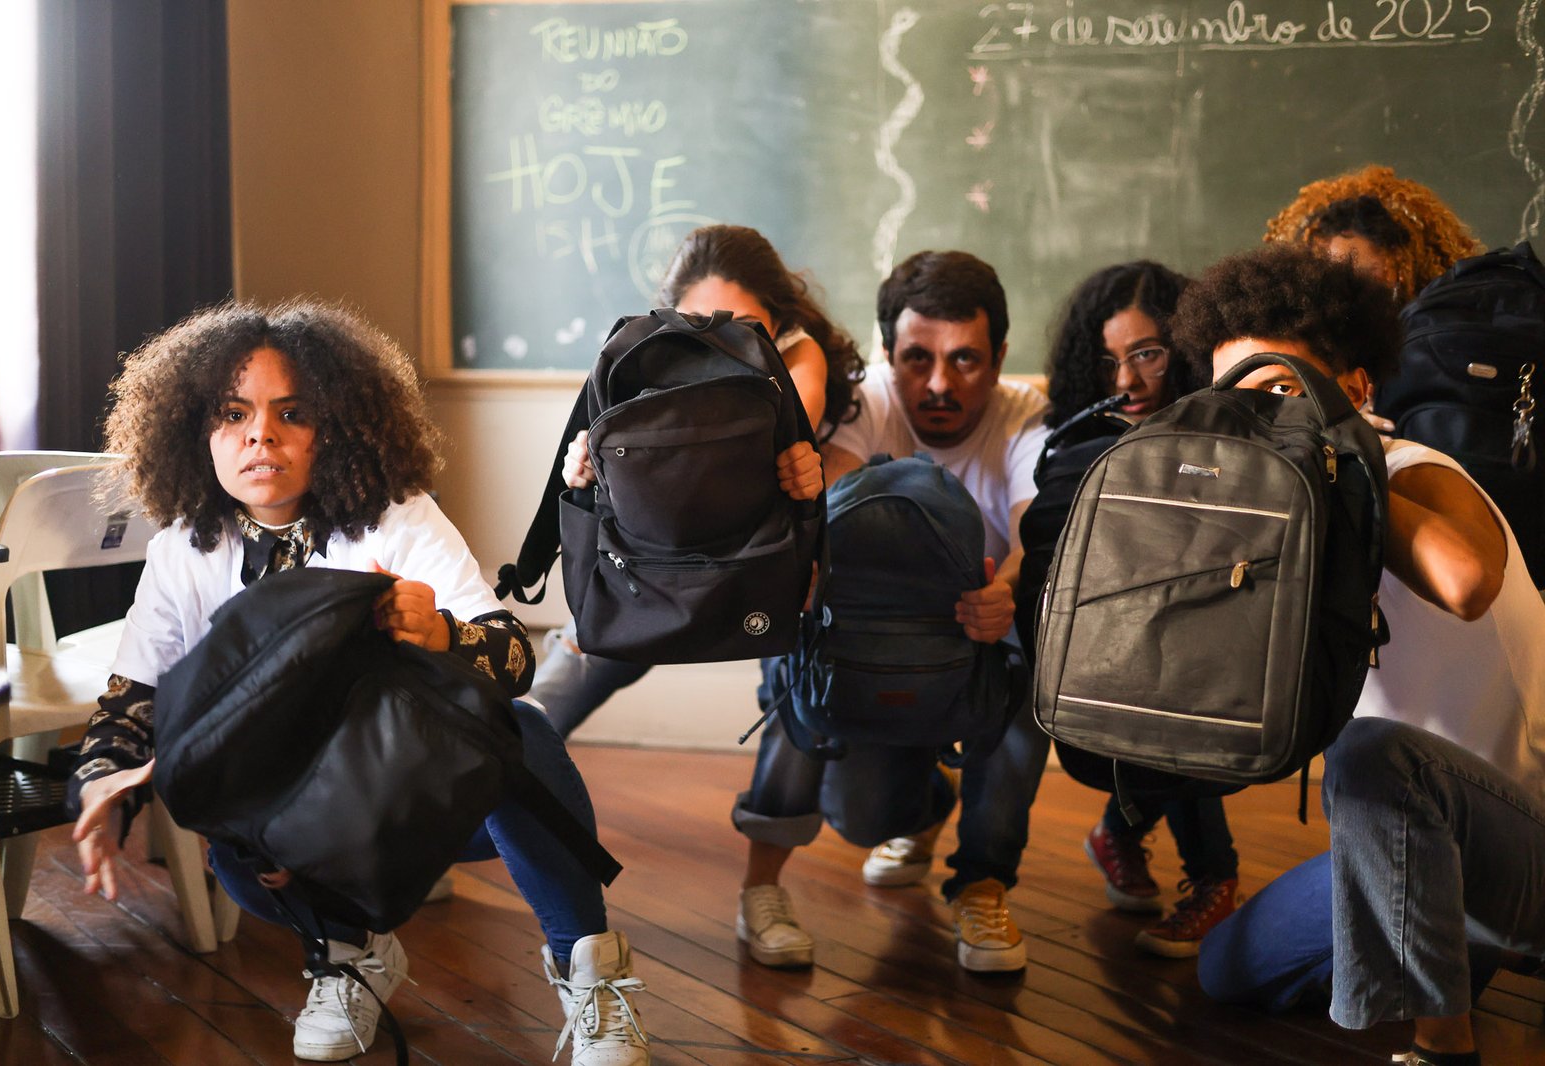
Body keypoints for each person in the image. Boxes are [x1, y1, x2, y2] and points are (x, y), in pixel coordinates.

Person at [65, 302, 650, 1066]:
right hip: (294, 826)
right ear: (195, 431)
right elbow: (129, 706)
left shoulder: (397, 519)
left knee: (524, 734)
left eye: (292, 413)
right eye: (233, 414)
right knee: (231, 849)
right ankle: (350, 957)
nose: (261, 435)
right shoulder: (182, 550)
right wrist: (101, 786)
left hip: (428, 802)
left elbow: (515, 662)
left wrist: (440, 633)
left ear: (336, 427)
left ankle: (590, 974)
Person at [1173, 246, 1545, 1066]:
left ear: (1356, 388)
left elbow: (1467, 583)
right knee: (1224, 967)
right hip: (1419, 851)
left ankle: (1443, 1048)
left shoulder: (1414, 471)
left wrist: (1341, 454)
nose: (1261, 419)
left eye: (1281, 391)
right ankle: (1454, 948)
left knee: (1377, 757)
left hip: (1520, 837)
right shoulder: (1278, 520)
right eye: (1236, 399)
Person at [732, 250, 1052, 974]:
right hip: (869, 649)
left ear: (1001, 357)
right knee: (860, 808)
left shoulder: (1026, 416)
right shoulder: (865, 403)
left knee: (1035, 652)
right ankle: (763, 887)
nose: (939, 383)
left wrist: (1005, 591)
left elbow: (1033, 537)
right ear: (886, 354)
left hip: (973, 649)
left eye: (966, 359)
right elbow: (828, 505)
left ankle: (983, 885)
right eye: (917, 359)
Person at [531, 223, 861, 737]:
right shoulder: (648, 352)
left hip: (757, 557)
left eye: (744, 326)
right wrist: (587, 465)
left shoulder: (799, 352)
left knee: (790, 690)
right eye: (698, 324)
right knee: (555, 695)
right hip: (666, 551)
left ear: (779, 320)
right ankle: (516, 746)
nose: (720, 340)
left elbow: (790, 428)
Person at [1014, 261, 1239, 957]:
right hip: (1109, 639)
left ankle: (1140, 841)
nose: (1127, 383)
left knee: (1186, 696)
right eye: (1108, 361)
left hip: (1204, 629)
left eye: (1147, 354)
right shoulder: (1077, 446)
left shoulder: (1230, 438)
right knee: (1168, 703)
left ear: (1187, 349)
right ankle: (1205, 872)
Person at [1265, 164, 1479, 304]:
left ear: (1412, 271)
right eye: (1328, 279)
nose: (1345, 293)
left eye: (1367, 277)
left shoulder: (1436, 342)